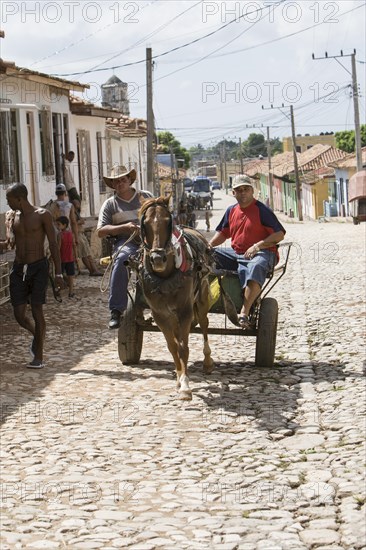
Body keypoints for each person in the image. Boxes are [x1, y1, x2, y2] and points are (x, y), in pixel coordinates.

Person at [209, 174, 285, 329]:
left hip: (263, 253)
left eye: (246, 189)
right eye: (239, 190)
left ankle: (244, 311)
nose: (243, 192)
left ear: (252, 191)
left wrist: (257, 246)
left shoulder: (261, 210)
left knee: (256, 266)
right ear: (233, 193)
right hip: (238, 253)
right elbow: (223, 233)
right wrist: (208, 246)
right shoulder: (231, 211)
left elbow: (280, 234)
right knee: (206, 257)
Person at [6, 183, 64, 368]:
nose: (8, 203)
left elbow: (54, 244)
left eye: (9, 200)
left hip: (38, 267)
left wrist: (59, 273)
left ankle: (38, 357)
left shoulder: (42, 215)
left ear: (20, 199)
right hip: (18, 268)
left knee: (37, 311)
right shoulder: (12, 217)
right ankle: (36, 337)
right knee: (19, 314)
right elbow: (9, 244)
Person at [97, 166, 153, 329]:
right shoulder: (110, 204)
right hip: (126, 243)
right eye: (116, 181)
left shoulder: (146, 196)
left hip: (150, 241)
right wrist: (124, 228)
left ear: (129, 180)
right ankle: (116, 310)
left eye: (123, 179)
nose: (120, 183)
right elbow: (100, 231)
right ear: (113, 185)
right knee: (121, 260)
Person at [72, 199, 103, 276]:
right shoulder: (72, 213)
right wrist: (80, 222)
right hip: (78, 234)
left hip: (81, 234)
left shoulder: (76, 213)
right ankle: (92, 270)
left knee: (87, 254)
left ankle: (94, 269)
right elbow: (73, 223)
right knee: (85, 254)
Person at [55, 216, 76, 298]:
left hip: (62, 259)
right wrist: (76, 257)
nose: (57, 226)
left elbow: (58, 247)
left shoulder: (60, 235)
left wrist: (55, 257)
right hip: (70, 258)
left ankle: (57, 290)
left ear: (65, 225)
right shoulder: (71, 234)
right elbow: (74, 246)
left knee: (58, 275)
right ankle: (71, 292)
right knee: (70, 276)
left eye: (59, 224)